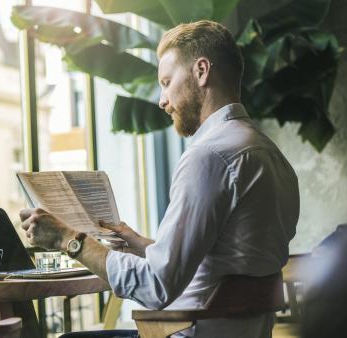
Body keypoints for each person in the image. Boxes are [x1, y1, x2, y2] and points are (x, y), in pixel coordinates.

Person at [20, 20, 300, 338]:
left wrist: (67, 239)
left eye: (166, 82)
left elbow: (156, 287)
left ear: (201, 70)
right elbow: (228, 259)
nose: (162, 100)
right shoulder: (271, 154)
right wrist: (141, 245)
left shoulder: (208, 156)